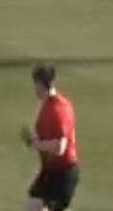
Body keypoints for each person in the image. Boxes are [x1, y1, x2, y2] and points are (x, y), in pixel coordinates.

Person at [21, 63, 79, 211]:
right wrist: (33, 139)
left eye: (36, 84)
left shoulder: (59, 109)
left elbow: (60, 147)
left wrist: (35, 144)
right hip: (50, 171)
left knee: (35, 207)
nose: (35, 89)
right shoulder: (47, 105)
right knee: (32, 206)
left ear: (41, 84)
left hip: (63, 173)